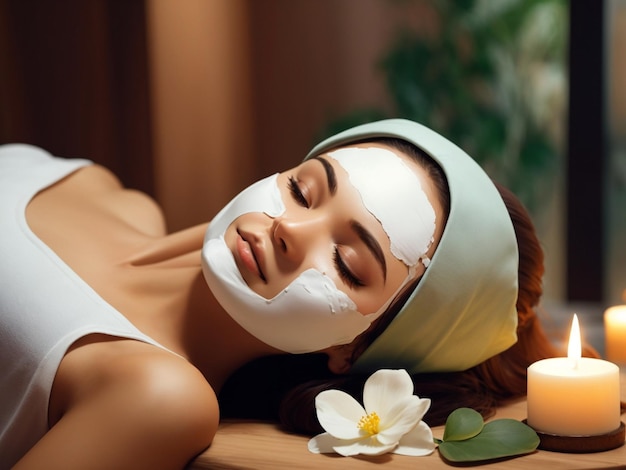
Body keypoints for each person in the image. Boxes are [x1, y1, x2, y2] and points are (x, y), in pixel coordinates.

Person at [1, 119, 562, 469]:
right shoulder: (102, 189)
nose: (290, 230)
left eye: (347, 263)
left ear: (353, 352)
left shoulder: (160, 398)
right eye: (303, 188)